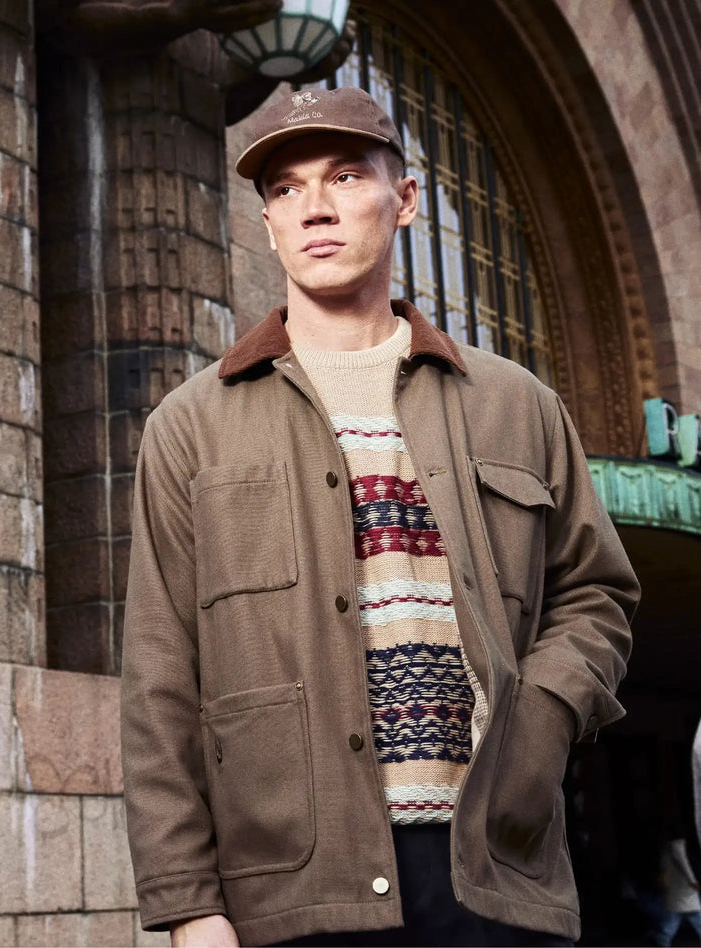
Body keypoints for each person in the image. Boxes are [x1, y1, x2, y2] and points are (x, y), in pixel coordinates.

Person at [120, 86, 639, 947]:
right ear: (267, 225)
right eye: (285, 190)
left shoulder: (518, 404)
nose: (314, 208)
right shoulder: (192, 425)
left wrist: (543, 712)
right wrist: (187, 905)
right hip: (289, 892)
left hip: (492, 873)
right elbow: (159, 677)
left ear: (403, 201)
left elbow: (595, 592)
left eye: (346, 176)